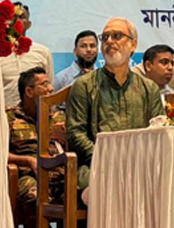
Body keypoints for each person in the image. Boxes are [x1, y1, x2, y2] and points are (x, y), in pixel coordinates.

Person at [66, 17, 163, 192]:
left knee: (164, 184)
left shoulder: (149, 89)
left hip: (140, 167)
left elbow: (158, 132)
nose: (109, 41)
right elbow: (75, 133)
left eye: (117, 36)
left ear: (133, 45)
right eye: (105, 37)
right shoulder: (84, 85)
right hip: (97, 165)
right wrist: (104, 157)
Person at [7, 67, 66, 207]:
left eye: (49, 83)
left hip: (60, 176)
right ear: (29, 92)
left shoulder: (59, 117)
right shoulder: (9, 117)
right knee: (36, 195)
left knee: (83, 194)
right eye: (44, 84)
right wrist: (27, 160)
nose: (51, 89)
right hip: (29, 175)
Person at [0, 3, 54, 107]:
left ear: (28, 24)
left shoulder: (43, 52)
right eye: (12, 17)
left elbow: (48, 87)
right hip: (5, 113)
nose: (16, 20)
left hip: (35, 113)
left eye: (21, 16)